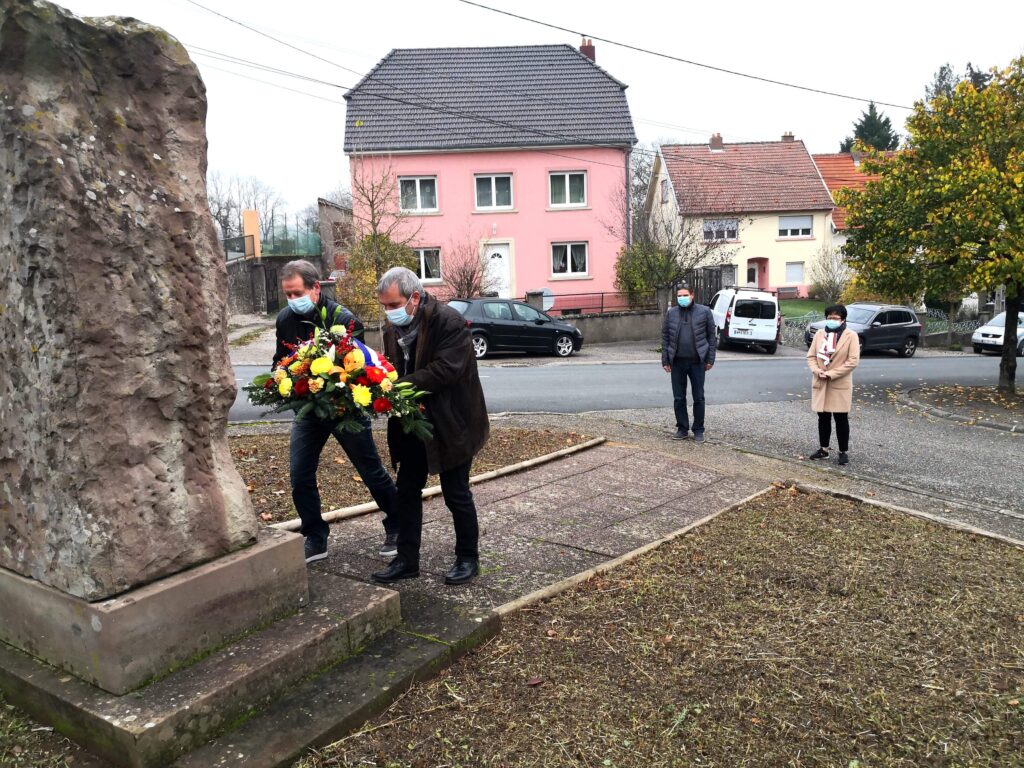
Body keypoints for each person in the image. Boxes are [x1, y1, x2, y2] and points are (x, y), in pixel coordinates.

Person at [274, 259, 399, 564]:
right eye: (287, 295)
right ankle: (315, 536)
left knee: (370, 470)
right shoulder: (284, 320)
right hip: (308, 409)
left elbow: (355, 366)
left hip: (344, 409)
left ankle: (398, 522)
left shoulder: (344, 319)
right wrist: (281, 378)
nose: (292, 301)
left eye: (297, 293)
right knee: (299, 473)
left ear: (315, 288)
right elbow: (281, 358)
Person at [371, 267, 489, 586]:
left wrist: (397, 388)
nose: (389, 312)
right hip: (412, 422)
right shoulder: (391, 329)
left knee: (456, 493)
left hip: (453, 423)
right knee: (407, 492)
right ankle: (407, 560)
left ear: (416, 298)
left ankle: (468, 558)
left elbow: (444, 371)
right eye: (385, 306)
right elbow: (391, 367)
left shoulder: (448, 322)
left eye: (394, 304)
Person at [661, 282, 717, 443]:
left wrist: (710, 359)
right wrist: (665, 359)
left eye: (685, 295)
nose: (682, 298)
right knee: (679, 397)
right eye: (679, 296)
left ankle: (698, 430)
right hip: (677, 362)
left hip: (697, 362)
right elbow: (665, 337)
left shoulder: (704, 312)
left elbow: (711, 338)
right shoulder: (671, 313)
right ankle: (682, 428)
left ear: (692, 295)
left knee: (698, 397)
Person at [805, 303, 861, 465]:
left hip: (839, 383)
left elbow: (852, 362)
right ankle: (823, 449)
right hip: (820, 381)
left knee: (841, 418)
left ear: (843, 319)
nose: (832, 320)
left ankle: (843, 451)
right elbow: (811, 357)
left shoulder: (851, 336)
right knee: (823, 418)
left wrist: (831, 374)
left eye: (835, 318)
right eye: (829, 318)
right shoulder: (820, 334)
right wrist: (817, 371)